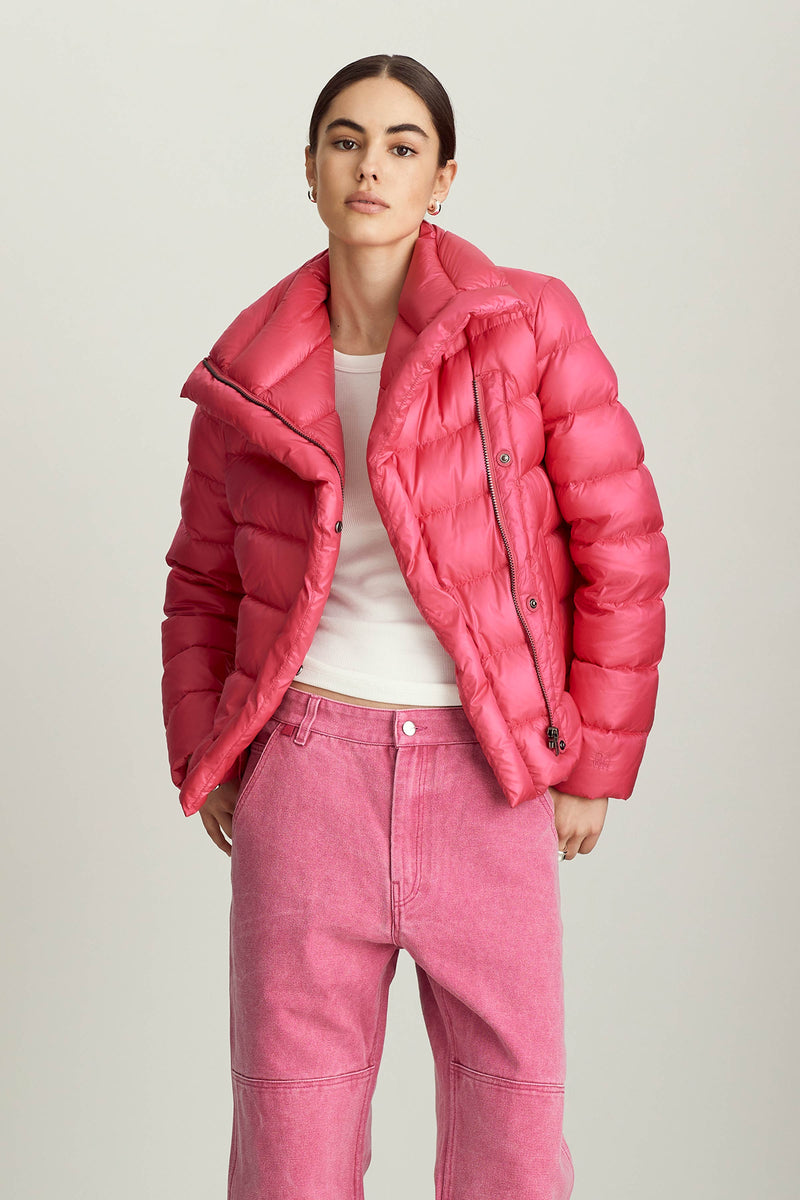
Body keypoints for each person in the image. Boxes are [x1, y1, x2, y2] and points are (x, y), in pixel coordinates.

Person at [161, 53, 669, 1200]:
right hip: (307, 773)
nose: (370, 167)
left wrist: (591, 762)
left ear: (442, 178)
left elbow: (621, 546)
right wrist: (211, 754)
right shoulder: (245, 371)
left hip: (487, 775)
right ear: (307, 167)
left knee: (512, 1147)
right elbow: (200, 579)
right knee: (290, 1149)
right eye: (345, 141)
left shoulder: (525, 325)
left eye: (401, 146)